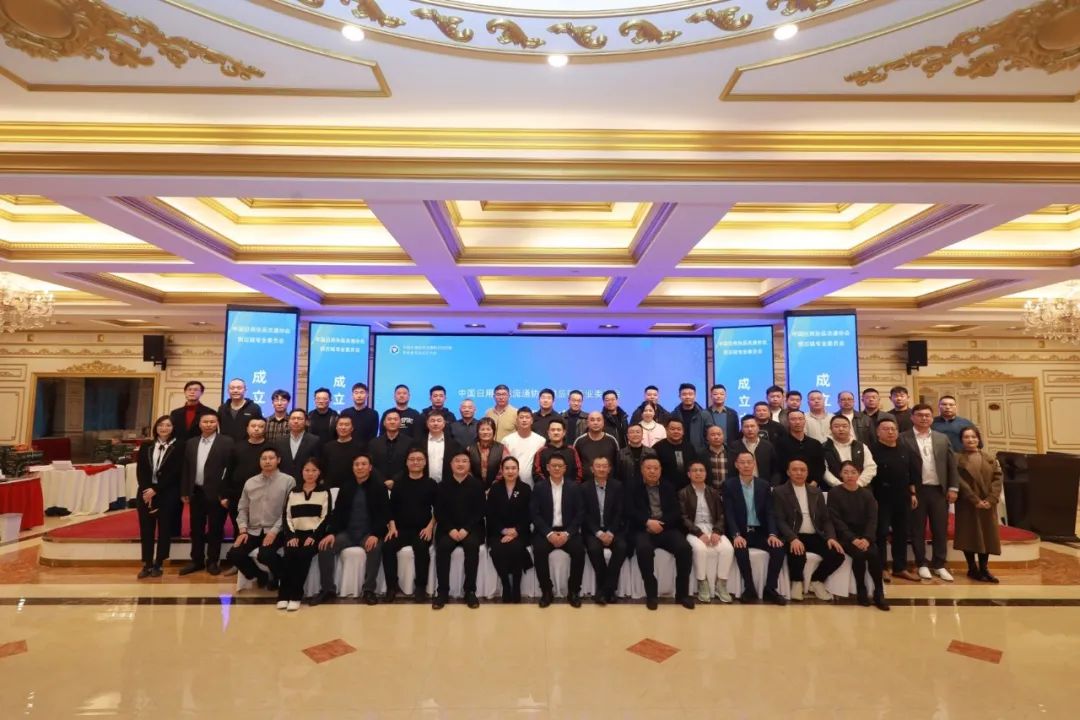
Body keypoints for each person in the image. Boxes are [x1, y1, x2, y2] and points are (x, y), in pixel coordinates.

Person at [772, 459, 845, 601]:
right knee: (797, 551)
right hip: (793, 534)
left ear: (807, 473)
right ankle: (797, 582)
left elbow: (826, 519)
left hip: (814, 534)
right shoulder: (779, 492)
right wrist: (792, 538)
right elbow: (779, 519)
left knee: (837, 554)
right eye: (795, 470)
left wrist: (831, 537)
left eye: (803, 470)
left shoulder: (816, 492)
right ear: (788, 472)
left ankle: (816, 581)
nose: (799, 473)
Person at [902, 403, 960, 582]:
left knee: (940, 529)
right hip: (916, 491)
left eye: (927, 415)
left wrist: (953, 487)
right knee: (917, 529)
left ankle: (939, 564)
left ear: (932, 418)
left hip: (938, 491)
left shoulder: (941, 438)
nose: (924, 418)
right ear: (912, 417)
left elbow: (951, 465)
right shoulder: (903, 438)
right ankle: (921, 563)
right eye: (920, 415)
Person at [627, 457, 694, 610]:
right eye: (648, 468)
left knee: (685, 549)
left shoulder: (668, 486)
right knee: (644, 550)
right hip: (643, 528)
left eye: (656, 468)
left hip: (666, 528)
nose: (652, 471)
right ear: (642, 470)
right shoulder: (632, 487)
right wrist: (647, 522)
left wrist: (660, 524)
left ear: (660, 470)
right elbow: (629, 510)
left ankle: (682, 594)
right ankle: (651, 594)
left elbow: (676, 512)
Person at [226, 447, 295, 590]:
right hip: (253, 530)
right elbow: (242, 508)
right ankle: (260, 575)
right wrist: (243, 530)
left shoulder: (288, 481)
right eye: (264, 458)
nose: (267, 461)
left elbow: (288, 511)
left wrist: (274, 531)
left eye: (271, 458)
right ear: (259, 461)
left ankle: (280, 577)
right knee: (234, 554)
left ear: (278, 460)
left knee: (265, 554)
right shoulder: (250, 482)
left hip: (277, 529)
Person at [723, 450, 786, 605]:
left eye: (749, 462)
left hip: (760, 531)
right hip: (741, 531)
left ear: (754, 464)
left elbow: (770, 512)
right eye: (742, 462)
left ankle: (770, 589)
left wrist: (772, 534)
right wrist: (736, 534)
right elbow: (729, 513)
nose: (746, 465)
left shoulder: (763, 485)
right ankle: (749, 588)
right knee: (740, 549)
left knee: (778, 549)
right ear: (736, 465)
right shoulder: (729, 485)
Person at [327, 454, 391, 605]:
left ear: (370, 467)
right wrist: (331, 533)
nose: (360, 467)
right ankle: (327, 589)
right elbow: (337, 512)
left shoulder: (379, 487)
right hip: (348, 533)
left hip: (368, 533)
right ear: (353, 467)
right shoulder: (346, 487)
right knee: (325, 547)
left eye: (363, 464)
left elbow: (384, 514)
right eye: (356, 464)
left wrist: (376, 534)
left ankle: (369, 590)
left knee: (375, 547)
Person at [829, 461, 890, 611]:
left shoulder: (867, 494)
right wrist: (853, 539)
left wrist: (867, 538)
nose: (849, 475)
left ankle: (879, 592)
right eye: (846, 472)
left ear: (859, 474)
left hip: (865, 536)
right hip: (845, 537)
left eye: (853, 472)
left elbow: (872, 519)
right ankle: (861, 590)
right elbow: (836, 520)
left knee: (874, 554)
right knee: (859, 555)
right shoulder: (834, 493)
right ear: (840, 474)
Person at [180, 413, 234, 576]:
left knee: (215, 528)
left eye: (212, 422)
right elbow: (186, 468)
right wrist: (185, 490)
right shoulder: (191, 443)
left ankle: (212, 561)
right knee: (196, 528)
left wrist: (225, 493)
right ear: (199, 424)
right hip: (196, 491)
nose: (209, 424)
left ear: (217, 424)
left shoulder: (227, 442)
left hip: (217, 493)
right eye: (205, 421)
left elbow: (230, 470)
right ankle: (196, 560)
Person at [870, 417, 922, 583]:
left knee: (901, 532)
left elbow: (913, 473)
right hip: (880, 498)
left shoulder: (905, 449)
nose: (890, 432)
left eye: (893, 429)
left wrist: (913, 493)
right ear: (878, 432)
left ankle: (900, 567)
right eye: (886, 429)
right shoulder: (871, 450)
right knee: (881, 533)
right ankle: (882, 568)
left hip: (903, 497)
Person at [531, 454, 586, 608]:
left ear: (565, 468)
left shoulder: (574, 487)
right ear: (547, 468)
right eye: (553, 466)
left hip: (568, 532)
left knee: (579, 551)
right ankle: (546, 590)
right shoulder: (539, 487)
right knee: (539, 550)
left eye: (559, 466)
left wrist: (567, 534)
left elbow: (580, 513)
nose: (556, 468)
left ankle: (573, 591)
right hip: (546, 531)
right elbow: (534, 514)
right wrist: (549, 534)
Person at [278, 458, 333, 611]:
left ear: (319, 472)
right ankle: (283, 595)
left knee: (303, 555)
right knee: (290, 554)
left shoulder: (324, 491)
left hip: (313, 535)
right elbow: (287, 516)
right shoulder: (293, 491)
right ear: (301, 472)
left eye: (314, 470)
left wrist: (314, 536)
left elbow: (325, 517)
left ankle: (296, 595)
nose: (310, 473)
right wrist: (291, 536)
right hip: (294, 533)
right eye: (307, 470)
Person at [433, 450, 485, 609]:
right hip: (447, 529)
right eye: (457, 461)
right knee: (443, 547)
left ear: (469, 465)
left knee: (472, 546)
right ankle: (442, 591)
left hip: (471, 529)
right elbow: (439, 511)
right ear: (451, 464)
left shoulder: (477, 485)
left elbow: (480, 511)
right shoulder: (442, 486)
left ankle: (470, 591)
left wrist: (466, 529)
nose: (460, 464)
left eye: (464, 461)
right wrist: (450, 529)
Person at [384, 448, 438, 602]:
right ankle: (391, 587)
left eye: (419, 459)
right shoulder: (399, 484)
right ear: (407, 463)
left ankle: (420, 587)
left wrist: (430, 527)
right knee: (387, 547)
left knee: (421, 548)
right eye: (412, 459)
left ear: (425, 463)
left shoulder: (431, 483)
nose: (416, 462)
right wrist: (392, 527)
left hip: (422, 529)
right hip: (400, 529)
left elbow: (439, 508)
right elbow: (390, 508)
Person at [679, 460, 734, 604]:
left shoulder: (713, 492)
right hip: (693, 529)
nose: (698, 473)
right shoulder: (683, 493)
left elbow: (722, 515)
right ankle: (702, 583)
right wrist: (699, 533)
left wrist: (717, 531)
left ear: (706, 473)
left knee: (727, 549)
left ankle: (721, 585)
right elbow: (683, 517)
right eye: (695, 470)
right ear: (689, 474)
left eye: (701, 470)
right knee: (700, 549)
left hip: (712, 527)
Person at [135, 415, 182, 579]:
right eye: (161, 425)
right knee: (146, 529)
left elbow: (175, 472)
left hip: (166, 493)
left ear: (173, 428)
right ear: (156, 427)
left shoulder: (178, 447)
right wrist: (146, 489)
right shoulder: (146, 445)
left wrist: (155, 489)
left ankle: (159, 562)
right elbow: (140, 470)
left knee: (164, 529)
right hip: (145, 493)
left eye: (168, 425)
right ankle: (147, 563)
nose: (164, 428)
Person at [955, 426, 1003, 583]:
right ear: (961, 440)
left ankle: (984, 568)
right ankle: (972, 568)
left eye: (973, 437)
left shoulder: (990, 458)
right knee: (969, 535)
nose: (970, 440)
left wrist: (991, 499)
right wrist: (974, 500)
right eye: (966, 437)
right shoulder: (956, 459)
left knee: (987, 535)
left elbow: (997, 479)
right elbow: (959, 481)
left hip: (988, 504)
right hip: (968, 503)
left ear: (978, 439)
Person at [486, 456, 533, 603]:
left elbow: (529, 514)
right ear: (502, 470)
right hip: (497, 532)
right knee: (497, 549)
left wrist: (515, 531)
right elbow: (490, 514)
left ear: (518, 470)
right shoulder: (495, 488)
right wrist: (503, 531)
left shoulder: (525, 489)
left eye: (513, 468)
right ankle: (506, 584)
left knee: (516, 548)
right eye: (507, 468)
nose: (510, 471)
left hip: (520, 532)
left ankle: (516, 585)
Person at [581, 456, 627, 606]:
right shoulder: (584, 487)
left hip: (613, 529)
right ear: (592, 469)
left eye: (604, 466)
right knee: (594, 549)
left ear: (609, 469)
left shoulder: (617, 486)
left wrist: (611, 532)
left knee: (621, 547)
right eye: (598, 466)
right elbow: (584, 514)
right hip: (593, 531)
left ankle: (604, 590)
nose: (601, 469)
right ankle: (609, 591)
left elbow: (619, 512)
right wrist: (599, 533)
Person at [822, 415, 878, 491]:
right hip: (835, 490)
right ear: (830, 429)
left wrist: (858, 484)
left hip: (861, 489)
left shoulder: (861, 446)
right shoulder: (823, 448)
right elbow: (824, 471)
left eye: (844, 426)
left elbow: (870, 467)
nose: (841, 429)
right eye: (836, 426)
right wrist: (840, 485)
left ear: (850, 428)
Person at [774, 410, 826, 487]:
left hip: (812, 486)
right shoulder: (780, 443)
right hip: (787, 486)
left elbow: (820, 466)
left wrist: (815, 482)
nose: (797, 422)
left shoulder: (815, 444)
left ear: (805, 421)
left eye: (800, 419)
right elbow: (779, 467)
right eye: (793, 419)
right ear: (788, 422)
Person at [502, 407, 547, 487]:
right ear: (517, 420)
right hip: (511, 484)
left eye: (527, 417)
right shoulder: (507, 440)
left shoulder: (541, 441)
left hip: (534, 484)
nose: (524, 420)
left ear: (532, 420)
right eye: (521, 417)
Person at [730, 417, 781, 486]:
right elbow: (731, 470)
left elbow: (775, 470)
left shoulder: (768, 446)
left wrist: (772, 486)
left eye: (752, 426)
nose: (750, 429)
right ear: (742, 429)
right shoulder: (734, 446)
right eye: (746, 427)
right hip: (740, 486)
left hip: (764, 486)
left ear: (758, 428)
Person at [652, 418, 700, 491]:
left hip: (688, 489)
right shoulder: (657, 448)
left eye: (679, 429)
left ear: (683, 432)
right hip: (664, 489)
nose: (676, 431)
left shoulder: (689, 447)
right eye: (672, 429)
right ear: (666, 430)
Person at [573, 411, 620, 484]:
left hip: (609, 484)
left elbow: (618, 464)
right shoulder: (579, 441)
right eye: (592, 420)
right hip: (585, 485)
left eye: (598, 420)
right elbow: (574, 465)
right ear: (587, 423)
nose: (595, 423)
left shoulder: (612, 440)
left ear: (603, 423)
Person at [320, 415, 366, 489]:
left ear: (352, 428)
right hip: (330, 487)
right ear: (336, 427)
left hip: (353, 488)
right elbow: (323, 468)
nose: (343, 427)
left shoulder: (360, 447)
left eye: (347, 425)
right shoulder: (327, 447)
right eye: (340, 424)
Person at [534, 417, 583, 484]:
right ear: (548, 432)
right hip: (546, 489)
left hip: (570, 489)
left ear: (564, 432)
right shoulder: (541, 452)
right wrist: (548, 486)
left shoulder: (572, 450)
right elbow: (537, 473)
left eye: (558, 430)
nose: (556, 432)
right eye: (553, 430)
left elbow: (579, 472)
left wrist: (572, 486)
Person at [417, 413, 462, 484]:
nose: (435, 423)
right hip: (423, 484)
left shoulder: (454, 444)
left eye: (439, 420)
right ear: (427, 424)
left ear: (444, 424)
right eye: (432, 421)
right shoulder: (418, 443)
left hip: (447, 485)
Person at [369, 409, 410, 483]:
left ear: (400, 423)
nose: (392, 422)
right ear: (384, 423)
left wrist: (395, 480)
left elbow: (409, 465)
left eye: (395, 419)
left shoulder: (409, 442)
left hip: (402, 483)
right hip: (378, 484)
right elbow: (371, 465)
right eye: (389, 419)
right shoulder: (374, 443)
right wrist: (382, 480)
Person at [276, 409, 320, 479]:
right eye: (293, 418)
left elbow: (317, 463)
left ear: (306, 422)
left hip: (305, 481)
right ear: (288, 421)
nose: (296, 421)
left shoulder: (314, 440)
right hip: (284, 480)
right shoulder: (279, 441)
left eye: (300, 419)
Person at [674, 383, 714, 454]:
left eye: (690, 394)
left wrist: (704, 450)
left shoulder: (705, 415)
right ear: (679, 396)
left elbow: (710, 434)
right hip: (679, 452)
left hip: (700, 453)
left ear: (695, 396)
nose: (687, 397)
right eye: (684, 394)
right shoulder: (674, 415)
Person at [467, 417, 505, 488]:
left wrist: (495, 485)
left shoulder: (502, 448)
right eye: (482, 429)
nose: (485, 432)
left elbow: (505, 468)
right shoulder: (470, 449)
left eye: (488, 429)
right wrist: (474, 484)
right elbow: (467, 470)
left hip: (497, 487)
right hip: (473, 487)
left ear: (493, 431)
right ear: (478, 432)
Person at [702, 426, 730, 492]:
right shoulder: (701, 455)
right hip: (709, 492)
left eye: (719, 434)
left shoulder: (732, 453)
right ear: (707, 437)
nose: (716, 437)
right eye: (713, 435)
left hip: (729, 491)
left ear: (723, 436)